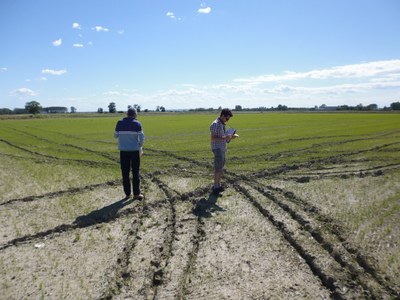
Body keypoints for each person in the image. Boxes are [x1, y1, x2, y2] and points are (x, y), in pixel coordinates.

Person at [114, 107, 145, 200]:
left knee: (125, 172)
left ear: (127, 114)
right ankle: (136, 194)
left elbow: (115, 136)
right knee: (135, 172)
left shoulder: (119, 123)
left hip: (123, 152)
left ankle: (127, 194)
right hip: (134, 151)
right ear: (135, 114)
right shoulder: (138, 124)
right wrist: (139, 146)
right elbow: (142, 139)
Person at [210, 108, 237, 195]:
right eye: (227, 118)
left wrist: (230, 137)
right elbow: (213, 138)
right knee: (218, 169)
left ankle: (218, 184)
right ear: (222, 115)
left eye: (229, 119)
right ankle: (215, 187)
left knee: (220, 169)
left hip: (222, 148)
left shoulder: (222, 124)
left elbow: (223, 137)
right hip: (217, 148)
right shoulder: (215, 124)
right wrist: (225, 137)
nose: (227, 120)